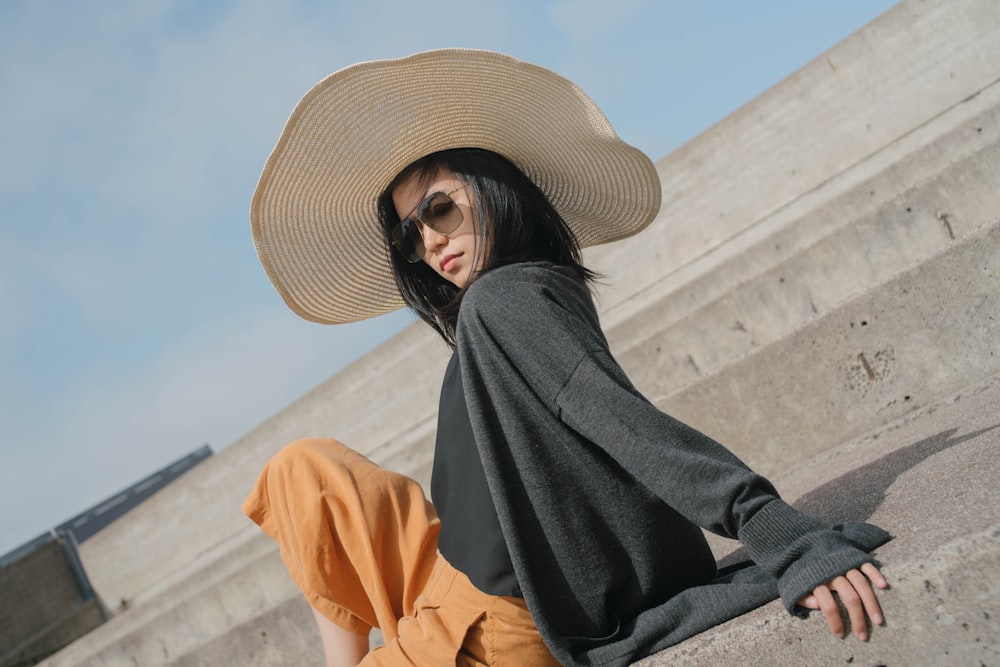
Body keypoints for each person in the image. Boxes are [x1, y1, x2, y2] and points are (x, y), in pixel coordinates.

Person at [243, 49, 890, 667]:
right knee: (303, 471)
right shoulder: (518, 293)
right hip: (448, 574)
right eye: (411, 234)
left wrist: (781, 532)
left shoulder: (501, 301)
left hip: (492, 626)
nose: (432, 239)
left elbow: (626, 423)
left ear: (490, 185)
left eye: (438, 206)